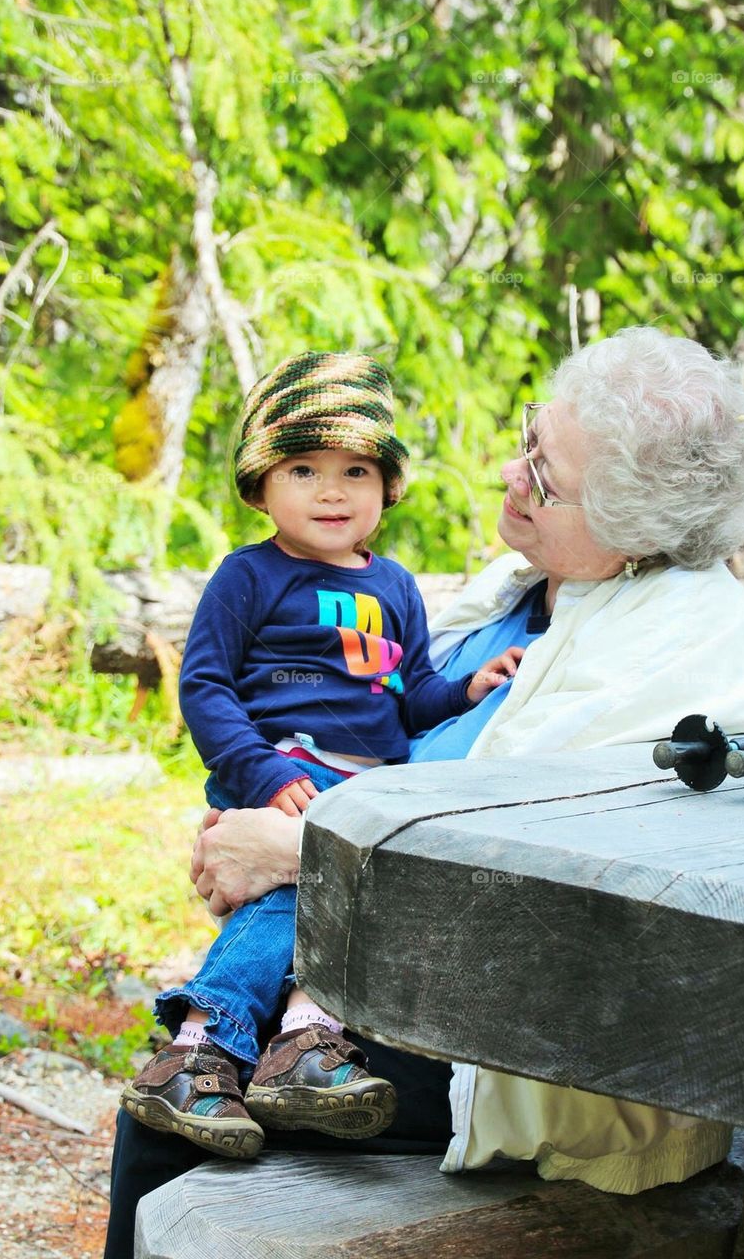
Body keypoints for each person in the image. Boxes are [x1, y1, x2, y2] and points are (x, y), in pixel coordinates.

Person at [105, 327, 744, 1257]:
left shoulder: (696, 659)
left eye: (545, 476)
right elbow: (388, 722)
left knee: (162, 1132)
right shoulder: (527, 583)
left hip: (512, 1050)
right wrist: (270, 802)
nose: (511, 477)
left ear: (634, 521)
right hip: (377, 979)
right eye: (529, 439)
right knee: (177, 1091)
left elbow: (531, 888)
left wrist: (292, 854)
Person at [119, 351, 521, 1161]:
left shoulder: (398, 586)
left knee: (338, 906)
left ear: (387, 487)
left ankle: (306, 1034)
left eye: (355, 469)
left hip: (367, 785)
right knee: (283, 899)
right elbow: (204, 688)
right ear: (261, 485)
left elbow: (410, 695)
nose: (331, 490)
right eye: (303, 468)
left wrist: (467, 688)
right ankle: (199, 1043)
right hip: (281, 766)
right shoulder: (249, 576)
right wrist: (261, 773)